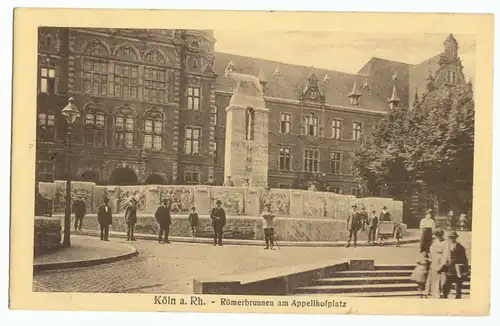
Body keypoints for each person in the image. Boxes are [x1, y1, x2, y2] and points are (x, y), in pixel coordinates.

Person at [440, 231, 469, 299]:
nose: (452, 239)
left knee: (458, 285)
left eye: (453, 237)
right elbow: (444, 256)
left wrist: (465, 270)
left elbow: (465, 259)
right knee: (446, 285)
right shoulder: (447, 246)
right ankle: (445, 297)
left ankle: (458, 299)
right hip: (449, 269)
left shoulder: (460, 248)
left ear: (456, 238)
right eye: (450, 238)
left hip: (457, 269)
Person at [426, 228, 447, 298]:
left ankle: (439, 292)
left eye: (439, 235)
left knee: (439, 277)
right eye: (437, 236)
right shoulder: (435, 242)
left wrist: (442, 264)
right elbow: (431, 249)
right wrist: (430, 257)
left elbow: (446, 254)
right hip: (434, 259)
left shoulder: (446, 243)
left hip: (440, 259)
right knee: (433, 275)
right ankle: (432, 291)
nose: (438, 237)